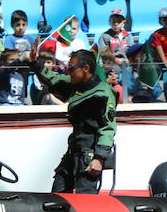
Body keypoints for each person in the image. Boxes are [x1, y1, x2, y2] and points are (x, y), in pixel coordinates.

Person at [33, 48, 116, 193]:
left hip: (89, 155)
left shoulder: (103, 93)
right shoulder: (74, 83)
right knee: (57, 194)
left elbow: (107, 128)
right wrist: (35, 62)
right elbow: (53, 79)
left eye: (71, 68)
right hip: (73, 150)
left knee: (85, 201)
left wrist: (99, 158)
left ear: (85, 68)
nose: (68, 72)